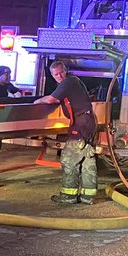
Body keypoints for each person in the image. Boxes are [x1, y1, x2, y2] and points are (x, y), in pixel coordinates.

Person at [36, 60, 98, 204]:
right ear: (52, 75)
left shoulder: (68, 81)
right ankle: (87, 196)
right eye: (56, 74)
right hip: (88, 122)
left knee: (69, 159)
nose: (59, 76)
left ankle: (68, 195)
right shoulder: (74, 81)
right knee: (86, 157)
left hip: (81, 124)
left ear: (66, 70)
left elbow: (51, 100)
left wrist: (38, 101)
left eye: (61, 72)